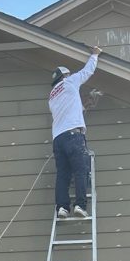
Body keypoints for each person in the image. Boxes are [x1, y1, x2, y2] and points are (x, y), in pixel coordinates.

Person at [49, 46, 101, 219]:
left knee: (63, 175)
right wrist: (94, 55)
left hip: (58, 139)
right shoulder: (70, 82)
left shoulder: (52, 96)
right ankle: (80, 205)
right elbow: (87, 71)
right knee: (80, 170)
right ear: (65, 76)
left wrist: (84, 106)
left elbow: (69, 109)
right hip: (73, 135)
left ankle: (62, 208)